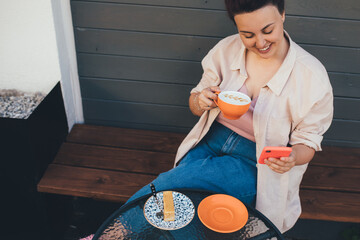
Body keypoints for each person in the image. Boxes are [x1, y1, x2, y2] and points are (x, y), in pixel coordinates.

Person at [128, 0, 333, 233]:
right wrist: (201, 100)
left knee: (170, 187)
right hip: (210, 139)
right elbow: (195, 102)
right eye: (248, 35)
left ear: (283, 15)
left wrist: (292, 157)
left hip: (255, 160)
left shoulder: (311, 76)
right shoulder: (226, 50)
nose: (261, 42)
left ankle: (114, 234)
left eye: (268, 30)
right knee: (183, 211)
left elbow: (308, 142)